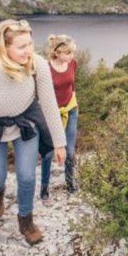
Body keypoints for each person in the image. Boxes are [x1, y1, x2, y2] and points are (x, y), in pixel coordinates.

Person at [0, 19, 67, 245]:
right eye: (21, 47)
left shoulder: (38, 65)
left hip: (24, 127)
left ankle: (26, 220)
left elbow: (49, 104)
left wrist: (59, 143)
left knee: (27, 176)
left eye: (30, 44)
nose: (29, 51)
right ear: (3, 47)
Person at [40, 34, 79, 199]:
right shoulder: (45, 68)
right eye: (67, 53)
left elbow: (72, 83)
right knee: (49, 152)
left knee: (69, 151)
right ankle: (44, 186)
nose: (71, 56)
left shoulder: (72, 63)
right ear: (56, 53)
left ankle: (70, 183)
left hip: (70, 109)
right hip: (51, 113)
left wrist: (74, 97)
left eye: (72, 52)